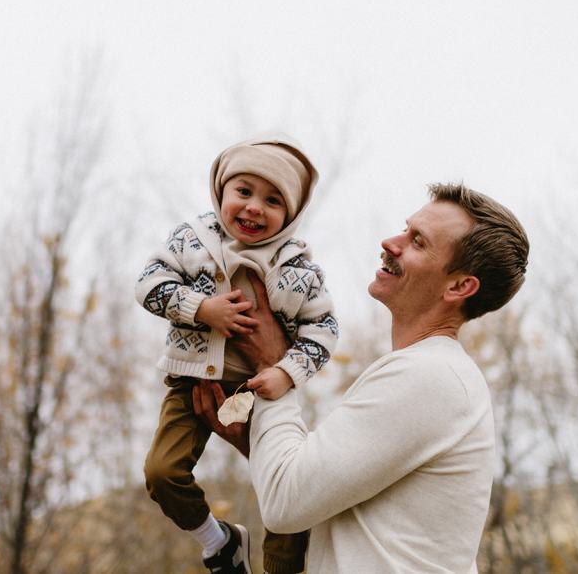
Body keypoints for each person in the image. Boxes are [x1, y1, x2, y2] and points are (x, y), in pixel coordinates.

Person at [194, 182, 529, 573]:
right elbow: (320, 504)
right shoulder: (431, 374)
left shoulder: (429, 376)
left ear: (459, 286)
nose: (390, 242)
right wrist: (262, 445)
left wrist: (274, 366)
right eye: (405, 229)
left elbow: (285, 505)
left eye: (418, 241)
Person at [136, 135, 339, 574]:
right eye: (244, 191)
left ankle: (280, 568)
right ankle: (219, 542)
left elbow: (324, 331)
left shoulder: (298, 268)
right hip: (193, 379)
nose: (254, 208)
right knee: (162, 472)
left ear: (290, 214)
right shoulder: (192, 240)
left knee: (289, 485)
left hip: (262, 391)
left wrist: (286, 373)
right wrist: (201, 308)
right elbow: (148, 284)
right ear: (221, 190)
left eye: (272, 200)